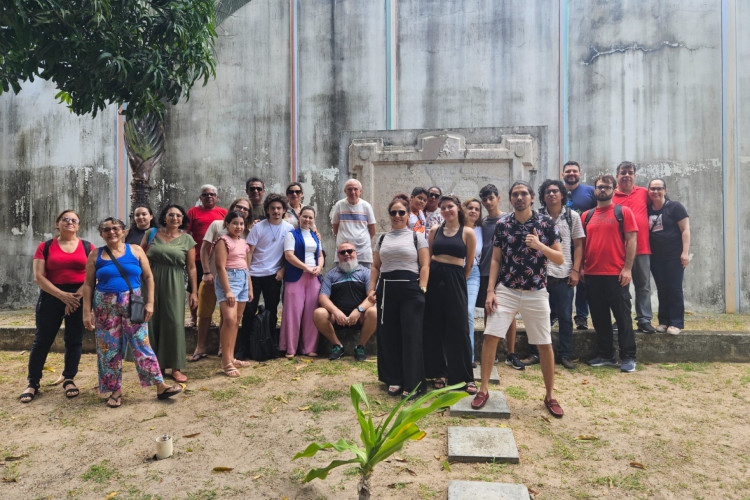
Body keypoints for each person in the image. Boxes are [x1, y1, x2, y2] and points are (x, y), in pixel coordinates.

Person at [473, 181, 565, 418]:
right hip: (507, 289)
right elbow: (495, 259)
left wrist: (539, 245)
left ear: (532, 198)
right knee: (490, 335)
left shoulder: (546, 223)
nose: (520, 197)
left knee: (544, 343)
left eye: (524, 193)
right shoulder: (503, 224)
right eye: (515, 194)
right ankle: (483, 389)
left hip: (536, 291)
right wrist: (490, 291)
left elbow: (559, 259)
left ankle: (549, 395)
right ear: (510, 199)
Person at [82, 217, 181, 408]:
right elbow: (87, 284)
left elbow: (148, 276)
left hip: (132, 302)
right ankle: (115, 390)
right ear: (101, 233)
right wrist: (87, 312)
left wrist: (150, 303)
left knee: (141, 343)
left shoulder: (135, 250)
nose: (112, 232)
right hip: (104, 305)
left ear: (124, 231)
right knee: (108, 348)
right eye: (106, 229)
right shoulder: (96, 254)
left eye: (116, 228)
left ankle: (160, 386)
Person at [20, 210, 93, 403]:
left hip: (79, 294)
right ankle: (33, 382)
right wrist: (62, 297)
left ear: (78, 225)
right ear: (57, 223)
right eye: (65, 219)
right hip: (52, 295)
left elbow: (91, 276)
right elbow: (39, 277)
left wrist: (74, 298)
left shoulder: (87, 247)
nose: (70, 222)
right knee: (42, 340)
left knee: (74, 339)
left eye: (74, 220)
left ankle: (69, 378)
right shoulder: (45, 247)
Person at [369, 197, 429, 399]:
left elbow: (425, 265)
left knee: (411, 336)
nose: (397, 216)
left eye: (401, 212)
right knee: (389, 335)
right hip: (386, 290)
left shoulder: (416, 237)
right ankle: (393, 378)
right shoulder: (382, 238)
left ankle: (413, 384)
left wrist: (423, 287)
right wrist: (371, 289)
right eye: (393, 212)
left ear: (407, 215)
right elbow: (376, 266)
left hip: (411, 290)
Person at [522, 180, 584, 370]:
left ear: (562, 194)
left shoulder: (572, 217)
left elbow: (579, 245)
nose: (551, 194)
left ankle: (565, 354)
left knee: (565, 316)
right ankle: (535, 353)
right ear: (542, 196)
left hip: (563, 274)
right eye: (547, 192)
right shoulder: (536, 217)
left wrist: (575, 270)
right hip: (540, 275)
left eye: (555, 191)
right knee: (539, 316)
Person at [582, 175, 639, 373]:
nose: (603, 190)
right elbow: (582, 245)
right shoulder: (586, 216)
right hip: (592, 274)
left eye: (606, 187)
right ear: (595, 190)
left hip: (616, 274)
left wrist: (627, 269)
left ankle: (628, 357)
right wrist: (581, 267)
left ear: (614, 190)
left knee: (622, 317)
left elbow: (632, 241)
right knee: (599, 317)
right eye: (599, 187)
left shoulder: (623, 212)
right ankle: (606, 354)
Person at [423, 194, 477, 394]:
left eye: (450, 207)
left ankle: (464, 377)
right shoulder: (435, 231)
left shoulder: (468, 233)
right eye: (443, 208)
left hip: (456, 279)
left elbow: (469, 264)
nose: (446, 210)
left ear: (457, 209)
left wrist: (458, 280)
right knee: (435, 326)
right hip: (435, 279)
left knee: (459, 327)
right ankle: (439, 372)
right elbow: (428, 257)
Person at [191, 197, 252, 361]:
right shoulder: (218, 225)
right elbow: (204, 249)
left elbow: (246, 262)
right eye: (239, 207)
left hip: (240, 280)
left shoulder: (244, 233)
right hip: (214, 275)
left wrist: (249, 286)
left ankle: (224, 350)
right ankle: (200, 347)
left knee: (230, 318)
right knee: (205, 311)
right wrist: (206, 271)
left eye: (246, 209)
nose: (243, 211)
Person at [142, 204, 197, 384]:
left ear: (183, 219)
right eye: (171, 215)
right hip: (150, 281)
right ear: (164, 217)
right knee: (152, 321)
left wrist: (194, 291)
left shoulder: (187, 239)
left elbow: (191, 267)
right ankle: (154, 366)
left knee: (173, 322)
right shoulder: (151, 234)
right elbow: (139, 257)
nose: (175, 218)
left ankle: (175, 367)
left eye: (179, 216)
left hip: (174, 282)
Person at [239, 193, 294, 356]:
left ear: (284, 210)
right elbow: (249, 253)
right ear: (267, 210)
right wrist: (247, 275)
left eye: (279, 208)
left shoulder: (289, 228)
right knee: (248, 311)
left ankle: (270, 346)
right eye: (272, 208)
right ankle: (245, 348)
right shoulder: (258, 227)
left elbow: (288, 253)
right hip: (254, 275)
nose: (276, 211)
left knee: (271, 311)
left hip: (273, 276)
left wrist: (282, 270)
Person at [477, 184, 523, 370]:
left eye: (491, 198)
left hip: (507, 273)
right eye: (485, 200)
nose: (488, 202)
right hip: (485, 271)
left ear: (498, 198)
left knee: (509, 313)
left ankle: (511, 353)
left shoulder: (509, 219)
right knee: (490, 310)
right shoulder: (482, 223)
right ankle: (492, 354)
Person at [314, 242, 376, 361]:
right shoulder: (331, 274)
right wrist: (336, 312)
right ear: (338, 256)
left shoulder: (366, 273)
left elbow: (372, 297)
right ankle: (337, 346)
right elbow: (323, 297)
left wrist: (359, 310)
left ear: (356, 253)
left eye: (350, 251)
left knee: (374, 312)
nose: (346, 254)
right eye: (342, 252)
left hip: (359, 316)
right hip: (338, 318)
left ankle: (360, 347)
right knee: (319, 313)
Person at [613, 161, 655, 333]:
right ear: (617, 176)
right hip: (618, 250)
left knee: (643, 285)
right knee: (620, 287)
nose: (627, 175)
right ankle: (621, 319)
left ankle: (644, 320)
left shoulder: (644, 193)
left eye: (630, 172)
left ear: (635, 176)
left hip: (642, 248)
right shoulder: (611, 196)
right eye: (623, 172)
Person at [647, 178, 690, 335]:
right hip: (655, 257)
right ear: (648, 191)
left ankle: (676, 322)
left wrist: (685, 253)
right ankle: (664, 321)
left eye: (659, 188)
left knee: (674, 288)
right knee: (662, 289)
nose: (656, 192)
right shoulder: (647, 209)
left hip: (674, 256)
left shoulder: (675, 207)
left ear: (665, 190)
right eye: (652, 189)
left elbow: (685, 229)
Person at [280, 206, 325, 358]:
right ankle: (290, 348)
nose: (307, 220)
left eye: (310, 217)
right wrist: (306, 267)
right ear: (299, 217)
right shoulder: (291, 235)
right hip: (296, 277)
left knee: (311, 313)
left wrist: (319, 267)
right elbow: (289, 256)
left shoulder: (316, 236)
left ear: (314, 219)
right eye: (304, 216)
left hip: (314, 277)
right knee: (293, 312)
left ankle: (309, 347)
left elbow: (320, 254)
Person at [213, 211, 253, 376]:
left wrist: (250, 287)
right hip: (228, 280)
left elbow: (246, 267)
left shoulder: (244, 243)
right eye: (235, 223)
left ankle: (231, 357)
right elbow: (220, 267)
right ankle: (225, 362)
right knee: (228, 320)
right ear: (227, 224)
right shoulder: (223, 241)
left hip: (243, 279)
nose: (238, 227)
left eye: (241, 224)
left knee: (236, 321)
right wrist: (228, 290)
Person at [186, 185, 227, 327]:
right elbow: (186, 232)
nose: (209, 197)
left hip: (217, 260)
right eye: (205, 194)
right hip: (197, 258)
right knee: (194, 289)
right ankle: (193, 318)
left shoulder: (223, 213)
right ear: (200, 197)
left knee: (213, 290)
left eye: (212, 194)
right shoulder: (193, 212)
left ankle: (208, 319)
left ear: (216, 197)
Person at [562, 161, 596, 331]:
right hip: (561, 244)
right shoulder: (557, 192)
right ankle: (558, 314)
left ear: (580, 174)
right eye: (568, 171)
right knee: (561, 281)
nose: (571, 173)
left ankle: (581, 317)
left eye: (575, 171)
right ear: (563, 175)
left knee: (583, 279)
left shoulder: (590, 192)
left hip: (584, 243)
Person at [331, 178, 376, 267]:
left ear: (360, 191)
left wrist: (361, 239)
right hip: (344, 252)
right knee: (342, 279)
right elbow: (335, 226)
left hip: (363, 252)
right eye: (349, 189)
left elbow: (372, 229)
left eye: (355, 189)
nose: (353, 192)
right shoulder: (339, 205)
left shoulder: (366, 206)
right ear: (345, 191)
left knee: (364, 279)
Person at [463, 198, 483, 367]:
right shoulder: (456, 228)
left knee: (468, 312)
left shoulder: (481, 230)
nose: (473, 211)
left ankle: (469, 356)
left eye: (477, 209)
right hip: (455, 272)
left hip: (473, 273)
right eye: (470, 208)